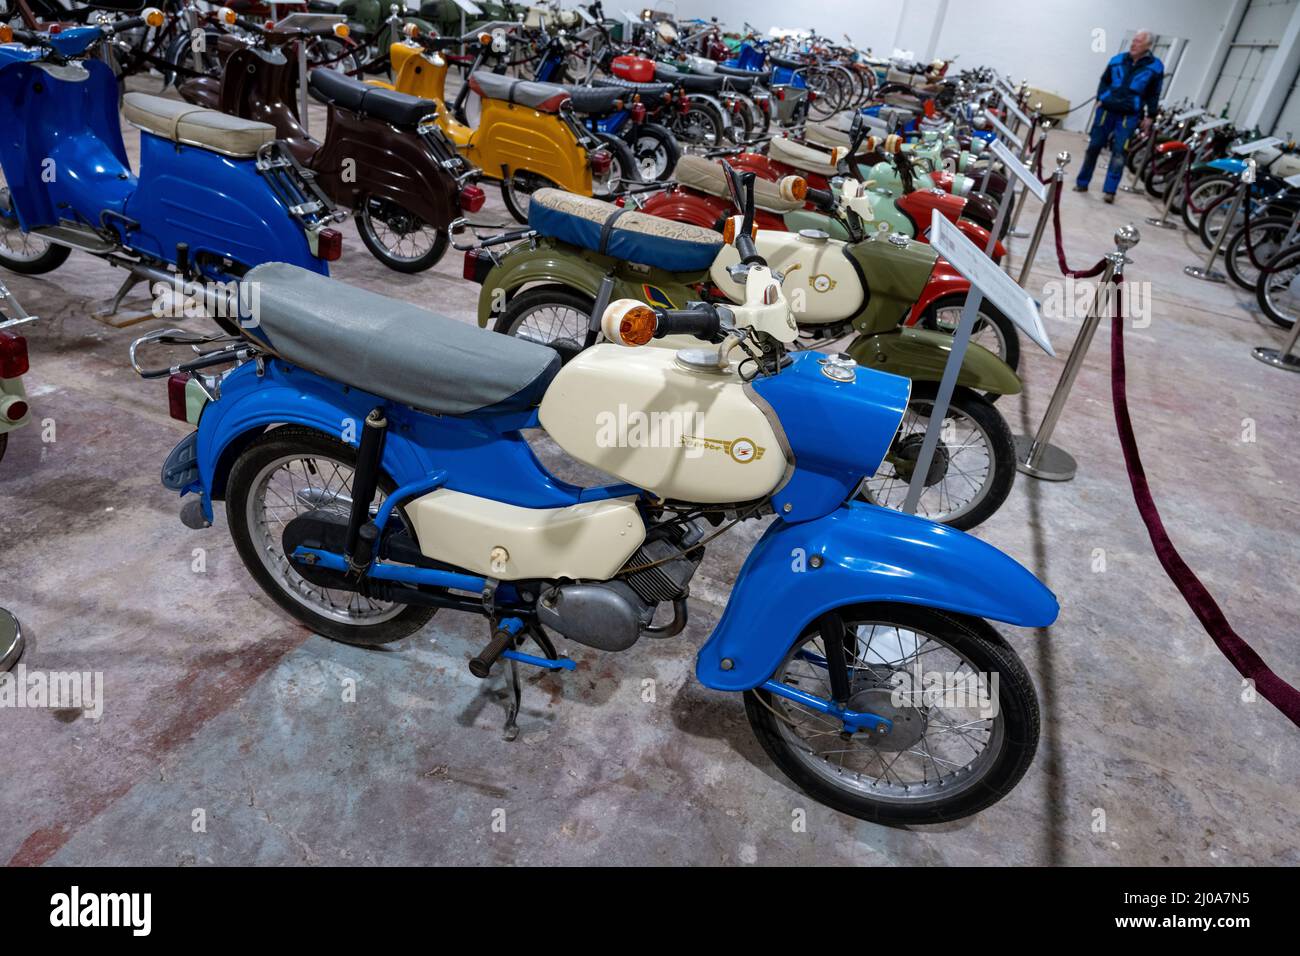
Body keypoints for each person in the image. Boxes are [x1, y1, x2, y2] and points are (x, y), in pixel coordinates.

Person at [1075, 30, 1164, 203]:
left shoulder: (1155, 66)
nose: (1133, 44)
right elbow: (1104, 80)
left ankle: (1110, 191)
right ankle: (1082, 182)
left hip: (1129, 115)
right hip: (1106, 111)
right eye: (1133, 40)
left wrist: (1150, 115)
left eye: (1138, 41)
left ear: (1148, 45)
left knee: (1119, 153)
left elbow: (1154, 93)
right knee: (1094, 147)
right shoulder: (1117, 60)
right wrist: (1101, 98)